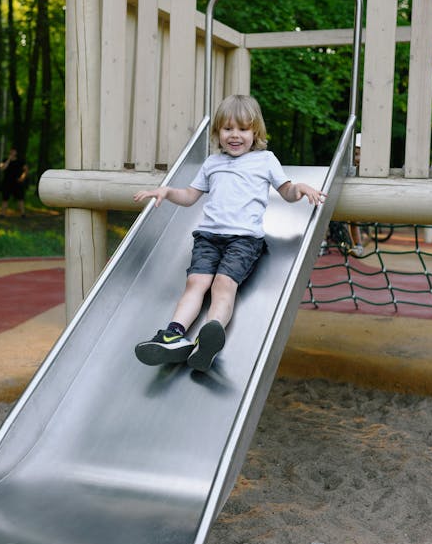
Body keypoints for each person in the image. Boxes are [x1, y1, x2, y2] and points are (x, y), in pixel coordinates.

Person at [133, 94, 326, 372]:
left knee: (223, 284)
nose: (235, 135)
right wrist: (167, 191)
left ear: (255, 132)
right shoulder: (212, 163)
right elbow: (189, 196)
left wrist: (301, 188)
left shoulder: (265, 160)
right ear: (218, 133)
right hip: (207, 237)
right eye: (227, 129)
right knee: (195, 283)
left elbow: (287, 191)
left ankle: (207, 338)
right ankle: (173, 334)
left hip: (244, 240)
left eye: (243, 129)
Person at [0, 148, 29, 217]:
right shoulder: (5, 160)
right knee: (5, 198)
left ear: (16, 152)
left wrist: (22, 177)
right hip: (7, 182)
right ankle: (2, 214)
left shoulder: (20, 161)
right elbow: (2, 168)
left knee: (20, 198)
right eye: (11, 151)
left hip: (17, 182)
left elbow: (26, 170)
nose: (12, 152)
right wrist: (9, 159)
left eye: (14, 151)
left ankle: (23, 213)